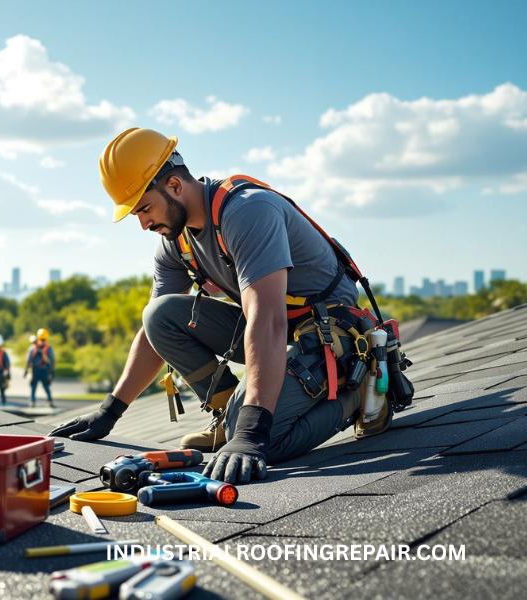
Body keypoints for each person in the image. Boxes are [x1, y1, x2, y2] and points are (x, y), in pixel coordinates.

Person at [50, 127, 393, 485]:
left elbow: (267, 319)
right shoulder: (175, 242)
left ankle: (359, 390)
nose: (143, 224)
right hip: (278, 329)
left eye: (145, 208)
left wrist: (249, 432)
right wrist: (110, 411)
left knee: (266, 440)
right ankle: (227, 412)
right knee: (160, 315)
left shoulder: (247, 211)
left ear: (174, 186)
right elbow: (153, 334)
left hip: (329, 332)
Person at [25, 328, 55, 408]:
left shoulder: (46, 348)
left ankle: (49, 401)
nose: (42, 341)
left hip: (43, 370)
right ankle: (33, 401)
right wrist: (26, 370)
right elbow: (28, 360)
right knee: (34, 387)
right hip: (37, 370)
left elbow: (52, 360)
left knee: (45, 386)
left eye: (43, 339)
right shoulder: (34, 348)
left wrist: (52, 371)